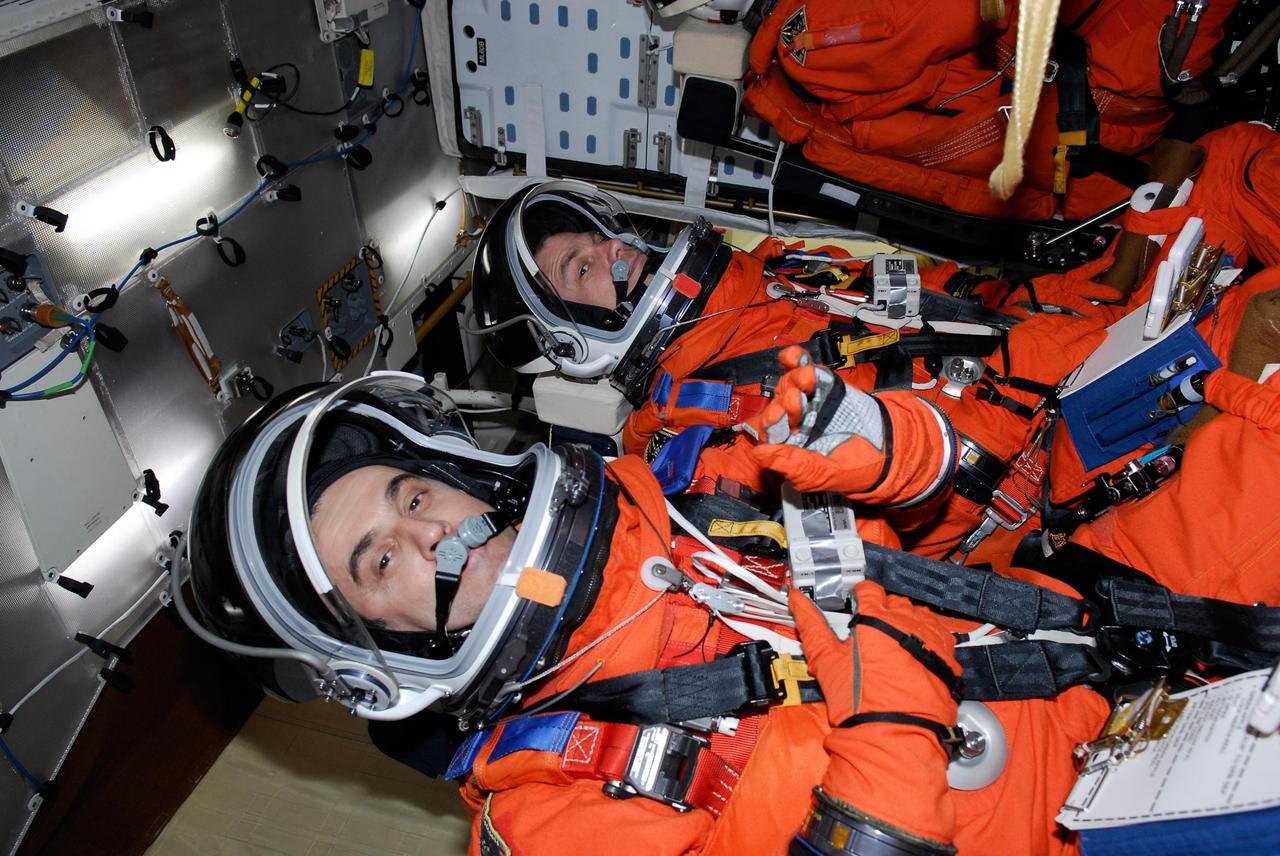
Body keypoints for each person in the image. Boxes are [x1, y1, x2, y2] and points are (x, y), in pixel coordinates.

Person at [180, 365, 1280, 856]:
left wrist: (900, 452)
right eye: (379, 561)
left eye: (410, 494)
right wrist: (888, 721)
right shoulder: (541, 813)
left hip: (1104, 638)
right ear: (378, 647)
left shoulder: (695, 498)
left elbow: (972, 504)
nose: (427, 531)